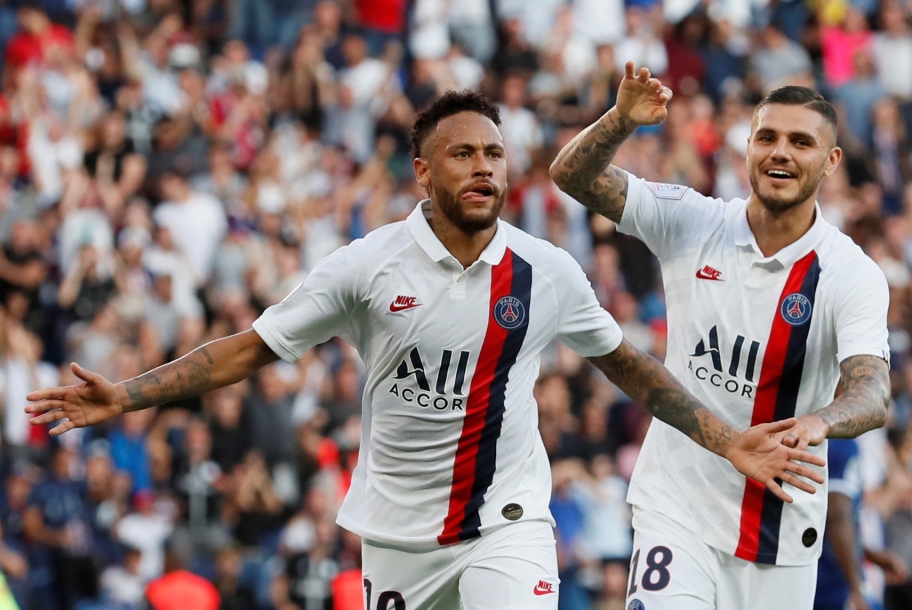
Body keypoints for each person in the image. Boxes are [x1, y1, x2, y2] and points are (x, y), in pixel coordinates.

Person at [25, 91, 824, 610]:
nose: (483, 169)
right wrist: (125, 395)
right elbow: (249, 349)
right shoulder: (368, 266)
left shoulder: (546, 271)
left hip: (508, 523)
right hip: (399, 537)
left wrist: (727, 439)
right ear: (421, 173)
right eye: (462, 155)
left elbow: (630, 368)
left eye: (494, 155)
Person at [550, 63, 892, 610]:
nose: (780, 152)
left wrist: (818, 421)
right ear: (748, 148)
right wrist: (619, 120)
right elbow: (571, 176)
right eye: (768, 137)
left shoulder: (850, 273)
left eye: (801, 142)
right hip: (676, 507)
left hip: (778, 534)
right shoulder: (693, 221)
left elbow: (873, 392)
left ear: (830, 163)